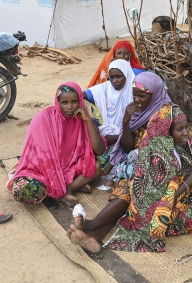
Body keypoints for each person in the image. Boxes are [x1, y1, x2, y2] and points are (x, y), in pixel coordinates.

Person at [71, 105, 192, 253]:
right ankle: (93, 231)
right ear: (167, 132)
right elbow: (159, 201)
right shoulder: (158, 154)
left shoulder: (188, 142)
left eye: (187, 127)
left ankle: (93, 232)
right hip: (163, 203)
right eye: (180, 129)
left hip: (187, 197)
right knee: (130, 192)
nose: (186, 133)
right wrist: (189, 179)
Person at [65, 72, 179, 251]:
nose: (137, 99)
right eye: (134, 94)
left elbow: (178, 148)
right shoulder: (137, 111)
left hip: (166, 169)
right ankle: (95, 237)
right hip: (143, 167)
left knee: (133, 187)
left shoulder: (168, 113)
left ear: (155, 93)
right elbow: (127, 147)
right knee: (128, 188)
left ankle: (91, 226)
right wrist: (126, 122)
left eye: (142, 95)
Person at [7, 83, 105, 208]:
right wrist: (57, 184)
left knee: (102, 162)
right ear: (57, 102)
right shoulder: (43, 118)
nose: (69, 107)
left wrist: (88, 120)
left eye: (74, 101)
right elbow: (45, 158)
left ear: (80, 100)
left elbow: (99, 149)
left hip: (70, 168)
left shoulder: (82, 117)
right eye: (64, 102)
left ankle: (68, 189)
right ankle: (64, 191)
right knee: (24, 190)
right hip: (42, 170)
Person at [83, 59, 136, 172]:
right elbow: (81, 95)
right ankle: (117, 140)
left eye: (119, 76)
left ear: (126, 74)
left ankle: (116, 141)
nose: (115, 81)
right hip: (107, 130)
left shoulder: (135, 91)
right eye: (111, 77)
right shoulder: (104, 88)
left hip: (129, 130)